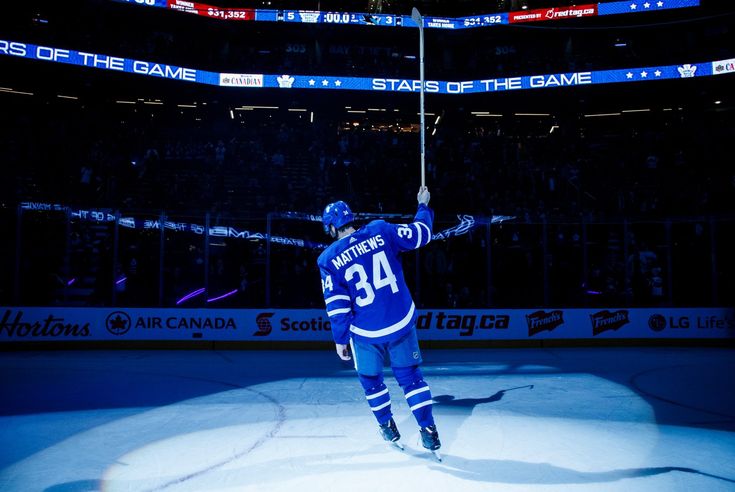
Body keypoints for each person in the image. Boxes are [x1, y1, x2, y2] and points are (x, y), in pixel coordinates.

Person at [317, 186, 441, 456]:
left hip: (365, 331)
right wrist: (422, 205)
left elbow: (338, 306)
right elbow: (422, 234)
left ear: (331, 228)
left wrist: (340, 340)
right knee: (411, 379)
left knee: (370, 380)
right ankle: (428, 430)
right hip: (400, 320)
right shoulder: (381, 230)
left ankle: (387, 426)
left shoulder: (327, 259)